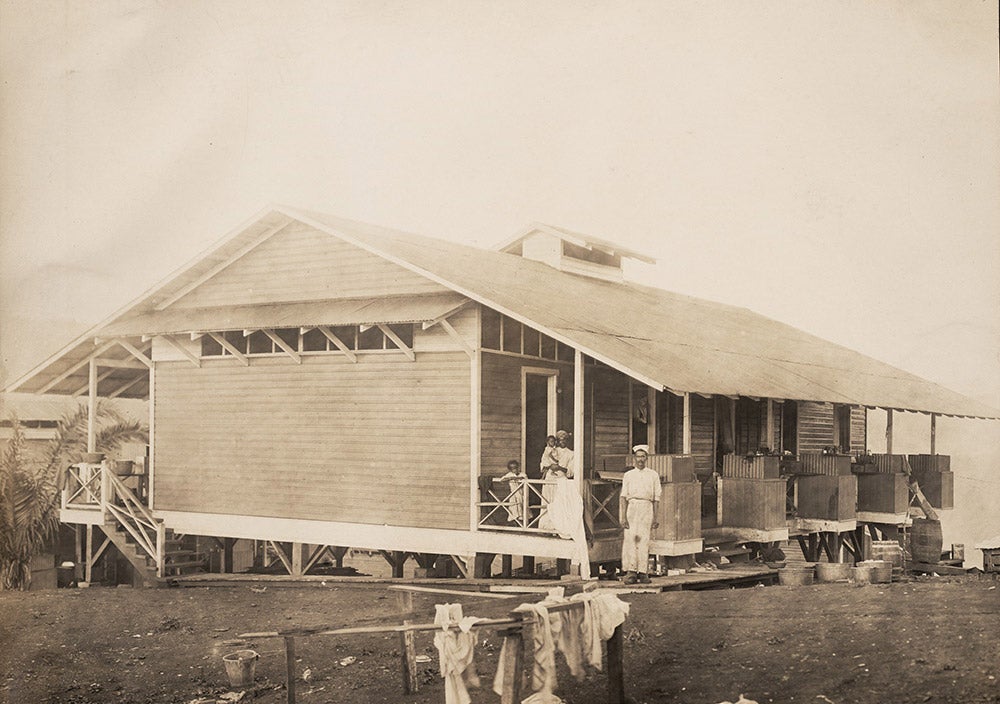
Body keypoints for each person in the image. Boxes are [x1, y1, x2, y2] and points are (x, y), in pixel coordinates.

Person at [619, 445, 661, 584]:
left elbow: (656, 498)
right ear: (634, 459)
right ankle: (631, 572)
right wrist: (623, 516)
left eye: (643, 456)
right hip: (632, 508)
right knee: (631, 540)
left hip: (646, 508)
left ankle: (643, 572)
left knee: (643, 540)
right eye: (638, 456)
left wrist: (656, 517)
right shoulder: (628, 475)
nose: (640, 460)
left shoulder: (653, 475)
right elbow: (623, 497)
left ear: (647, 458)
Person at [540, 430, 574, 530]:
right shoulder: (552, 450)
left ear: (568, 441)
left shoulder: (571, 454)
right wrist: (550, 465)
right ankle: (545, 527)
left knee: (559, 504)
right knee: (547, 501)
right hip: (550, 478)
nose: (562, 441)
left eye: (564, 440)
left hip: (561, 480)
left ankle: (558, 528)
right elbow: (543, 463)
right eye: (560, 440)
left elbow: (571, 471)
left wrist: (559, 468)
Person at [498, 459, 525, 525]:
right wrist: (510, 478)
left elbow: (524, 479)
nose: (514, 470)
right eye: (512, 468)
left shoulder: (522, 474)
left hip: (522, 493)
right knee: (513, 507)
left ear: (518, 467)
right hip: (513, 494)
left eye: (516, 468)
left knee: (522, 507)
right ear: (510, 469)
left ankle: (523, 523)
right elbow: (502, 480)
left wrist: (516, 478)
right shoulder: (509, 474)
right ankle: (515, 522)